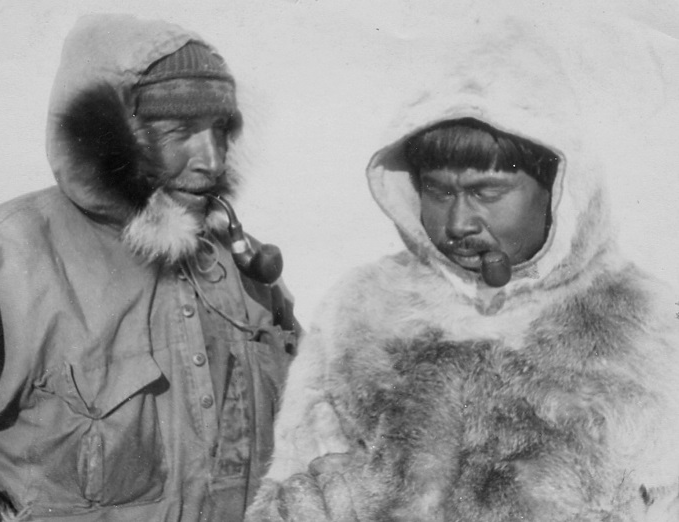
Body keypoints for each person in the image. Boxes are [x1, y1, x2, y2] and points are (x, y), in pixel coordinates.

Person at [244, 13, 679, 522]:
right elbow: (300, 480)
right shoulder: (363, 309)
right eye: (437, 190)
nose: (457, 222)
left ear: (558, 187)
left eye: (485, 192)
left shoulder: (646, 325)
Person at [0, 13, 299, 522]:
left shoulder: (246, 268)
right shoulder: (1, 260)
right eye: (181, 132)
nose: (212, 160)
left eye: (220, 130)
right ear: (110, 135)